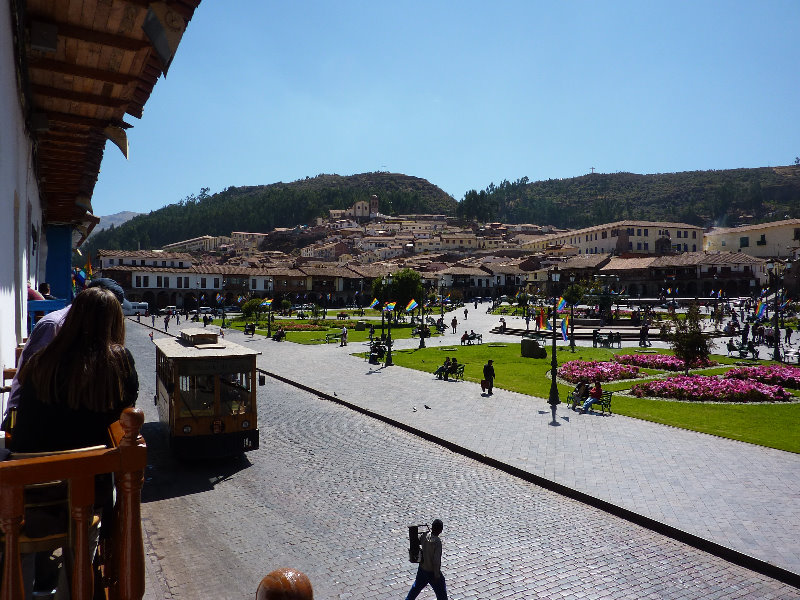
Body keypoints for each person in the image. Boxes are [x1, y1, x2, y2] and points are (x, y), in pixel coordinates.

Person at [3, 278, 128, 427]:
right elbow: (27, 380)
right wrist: (13, 422)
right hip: (25, 420)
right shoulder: (53, 326)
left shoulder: (72, 339)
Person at [404, 519, 447, 600]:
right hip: (431, 571)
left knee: (416, 588)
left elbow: (417, 541)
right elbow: (436, 561)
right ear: (440, 530)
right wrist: (437, 575)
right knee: (441, 593)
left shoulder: (425, 535)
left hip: (422, 568)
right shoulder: (437, 542)